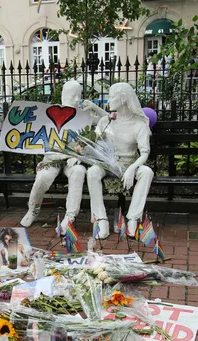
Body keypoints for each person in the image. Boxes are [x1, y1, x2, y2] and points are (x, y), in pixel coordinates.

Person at [83, 83, 153, 239]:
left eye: (112, 97)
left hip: (130, 163)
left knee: (147, 172)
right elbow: (95, 144)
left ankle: (133, 218)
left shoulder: (139, 124)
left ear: (123, 99)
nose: (109, 100)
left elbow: (144, 153)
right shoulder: (107, 121)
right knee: (93, 171)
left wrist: (132, 169)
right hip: (108, 163)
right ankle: (101, 220)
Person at [21, 79, 87, 232]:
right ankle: (33, 210)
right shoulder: (50, 114)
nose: (77, 99)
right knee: (43, 177)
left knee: (79, 172)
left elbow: (86, 140)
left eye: (79, 95)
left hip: (72, 162)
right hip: (52, 160)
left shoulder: (83, 116)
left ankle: (70, 216)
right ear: (64, 95)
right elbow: (44, 142)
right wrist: (62, 155)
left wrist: (78, 155)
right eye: (73, 95)